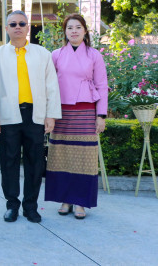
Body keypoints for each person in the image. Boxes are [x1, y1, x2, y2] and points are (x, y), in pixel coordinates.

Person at [0, 10, 61, 224]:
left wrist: (51, 115)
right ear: (6, 28)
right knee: (8, 162)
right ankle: (12, 205)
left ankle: (31, 206)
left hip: (35, 115)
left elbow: (52, 87)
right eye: (13, 24)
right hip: (8, 115)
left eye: (22, 23)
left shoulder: (42, 54)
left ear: (28, 27)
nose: (18, 27)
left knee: (35, 162)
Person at [45, 14, 108, 219]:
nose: (74, 31)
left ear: (85, 31)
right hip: (60, 112)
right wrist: (49, 114)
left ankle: (80, 201)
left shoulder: (94, 55)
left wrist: (101, 115)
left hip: (85, 110)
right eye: (70, 27)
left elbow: (102, 86)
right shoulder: (56, 54)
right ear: (64, 31)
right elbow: (49, 85)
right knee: (61, 155)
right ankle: (65, 199)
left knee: (84, 157)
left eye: (78, 27)